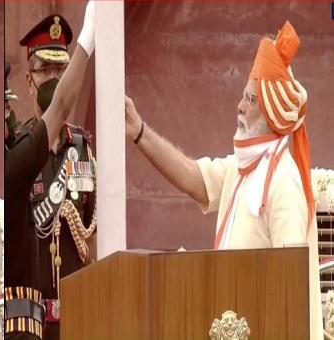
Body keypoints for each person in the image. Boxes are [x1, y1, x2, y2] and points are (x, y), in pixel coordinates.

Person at [125, 21, 322, 338]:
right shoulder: (241, 168)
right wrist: (139, 133)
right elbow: (193, 177)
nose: (240, 106)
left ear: (272, 113)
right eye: (243, 96)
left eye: (250, 100)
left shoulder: (284, 181)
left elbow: (291, 291)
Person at [4, 3, 96, 339]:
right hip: (28, 321)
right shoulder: (18, 149)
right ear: (29, 80)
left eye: (62, 70)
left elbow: (92, 232)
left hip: (78, 314)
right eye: (45, 70)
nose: (55, 79)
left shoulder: (83, 148)